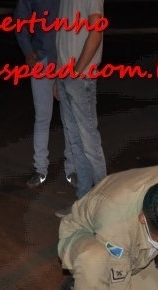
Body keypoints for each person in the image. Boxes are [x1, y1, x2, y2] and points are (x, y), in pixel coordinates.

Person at [55, 0, 107, 202]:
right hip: (66, 76)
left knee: (89, 141)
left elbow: (96, 31)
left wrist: (76, 72)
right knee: (76, 141)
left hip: (80, 77)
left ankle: (104, 204)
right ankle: (83, 202)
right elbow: (64, 37)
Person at [15, 0, 63, 189]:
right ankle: (40, 169)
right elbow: (20, 18)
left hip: (68, 59)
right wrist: (28, 50)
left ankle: (73, 169)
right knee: (43, 117)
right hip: (42, 60)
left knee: (70, 118)